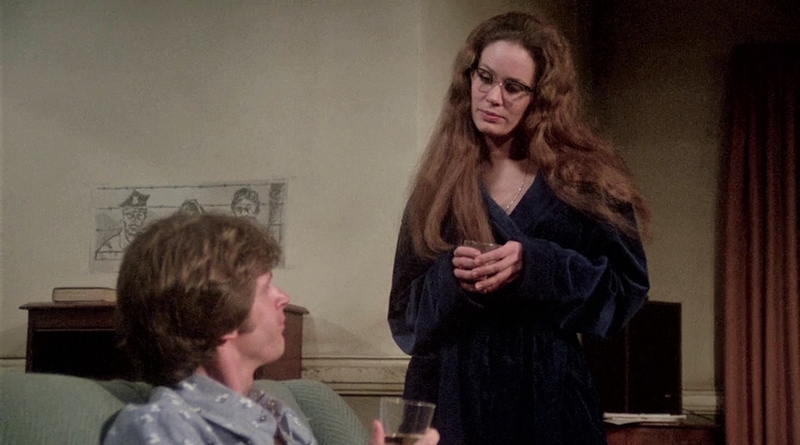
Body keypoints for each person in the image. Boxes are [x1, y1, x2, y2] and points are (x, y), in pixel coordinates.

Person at [388, 11, 650, 445]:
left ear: (541, 98)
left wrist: (537, 266)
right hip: (450, 400)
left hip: (548, 399)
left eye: (513, 87)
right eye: (485, 78)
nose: (493, 97)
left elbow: (626, 291)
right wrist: (451, 278)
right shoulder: (438, 185)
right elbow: (404, 317)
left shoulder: (582, 180)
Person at [104, 212, 439, 445]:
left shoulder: (275, 413)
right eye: (266, 288)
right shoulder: (160, 428)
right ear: (220, 315)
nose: (283, 298)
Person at [95, 189, 150, 260]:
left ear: (144, 218)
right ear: (123, 217)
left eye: (139, 215)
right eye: (129, 215)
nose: (134, 220)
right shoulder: (108, 248)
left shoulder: (149, 246)